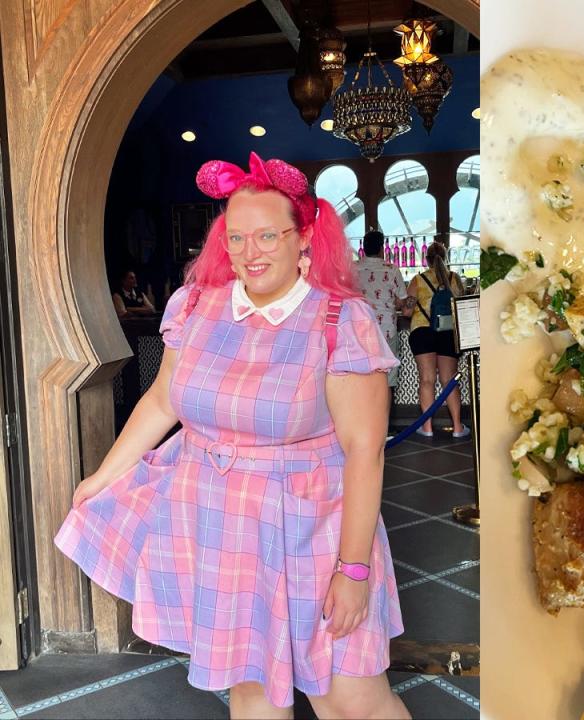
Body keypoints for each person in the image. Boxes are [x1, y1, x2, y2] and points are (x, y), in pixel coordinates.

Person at [55, 152, 409, 720]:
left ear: (304, 239)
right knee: (251, 691)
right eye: (238, 237)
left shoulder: (340, 321)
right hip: (217, 523)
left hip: (312, 529)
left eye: (268, 235)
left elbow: (364, 452)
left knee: (352, 699)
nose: (251, 252)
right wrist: (104, 475)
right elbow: (162, 400)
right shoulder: (194, 307)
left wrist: (354, 570)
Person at [406, 241, 469, 438]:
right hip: (448, 333)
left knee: (427, 379)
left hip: (423, 332)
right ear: (446, 257)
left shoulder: (418, 280)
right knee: (449, 380)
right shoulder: (454, 278)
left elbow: (407, 311)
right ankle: (458, 427)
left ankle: (427, 428)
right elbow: (461, 307)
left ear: (426, 259)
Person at [354, 230, 406, 421]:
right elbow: (402, 302)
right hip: (386, 330)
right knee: (386, 382)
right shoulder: (391, 269)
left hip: (359, 332)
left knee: (361, 379)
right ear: (382, 248)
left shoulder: (353, 269)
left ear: (363, 247)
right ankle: (383, 427)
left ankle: (362, 424)